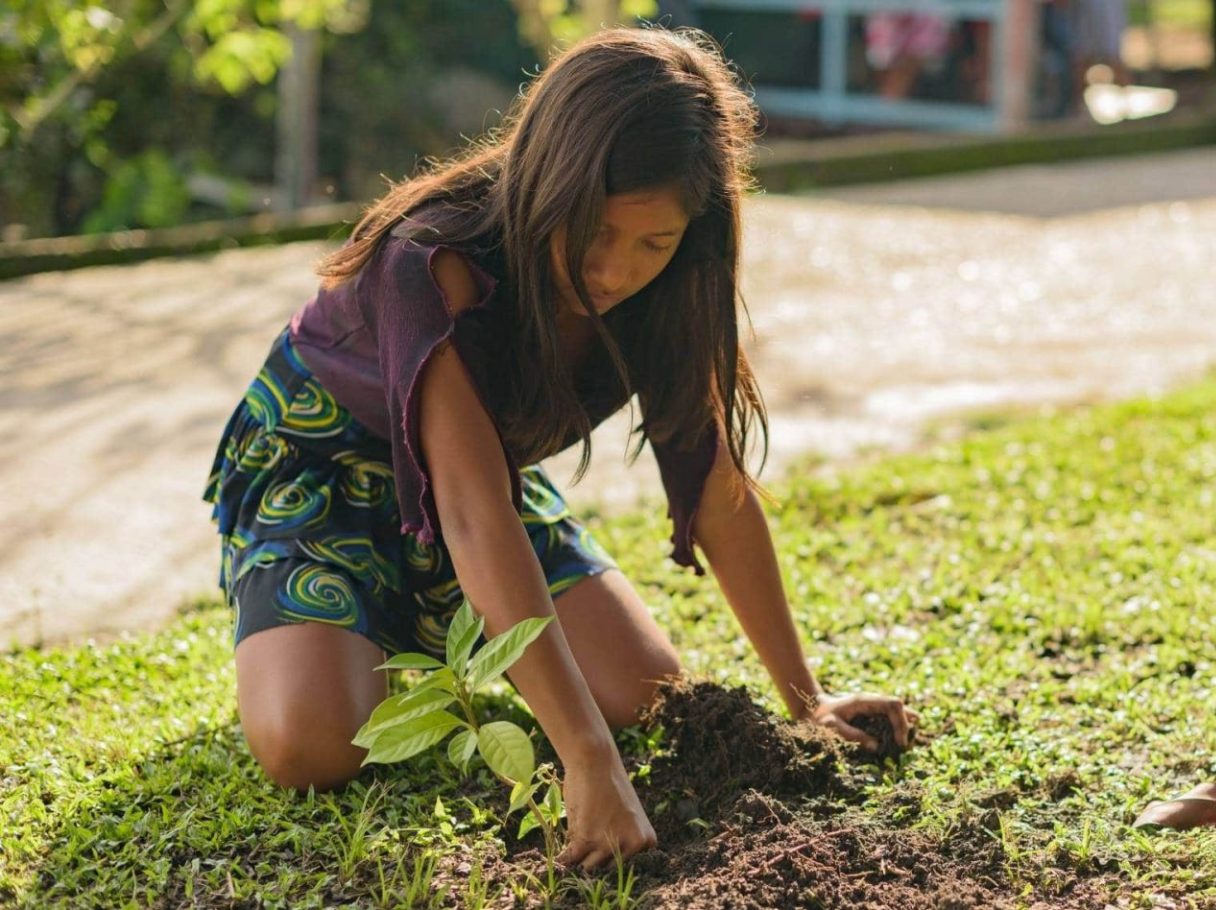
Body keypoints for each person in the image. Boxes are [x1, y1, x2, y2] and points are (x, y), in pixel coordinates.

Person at [202, 27, 918, 871]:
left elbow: (716, 489)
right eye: (596, 234)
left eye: (654, 242)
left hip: (484, 480)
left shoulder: (678, 279)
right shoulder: (430, 263)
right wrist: (585, 757)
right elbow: (468, 513)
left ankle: (442, 622)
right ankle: (381, 626)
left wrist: (807, 699)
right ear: (551, 185)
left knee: (644, 694)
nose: (616, 271)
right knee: (311, 744)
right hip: (324, 468)